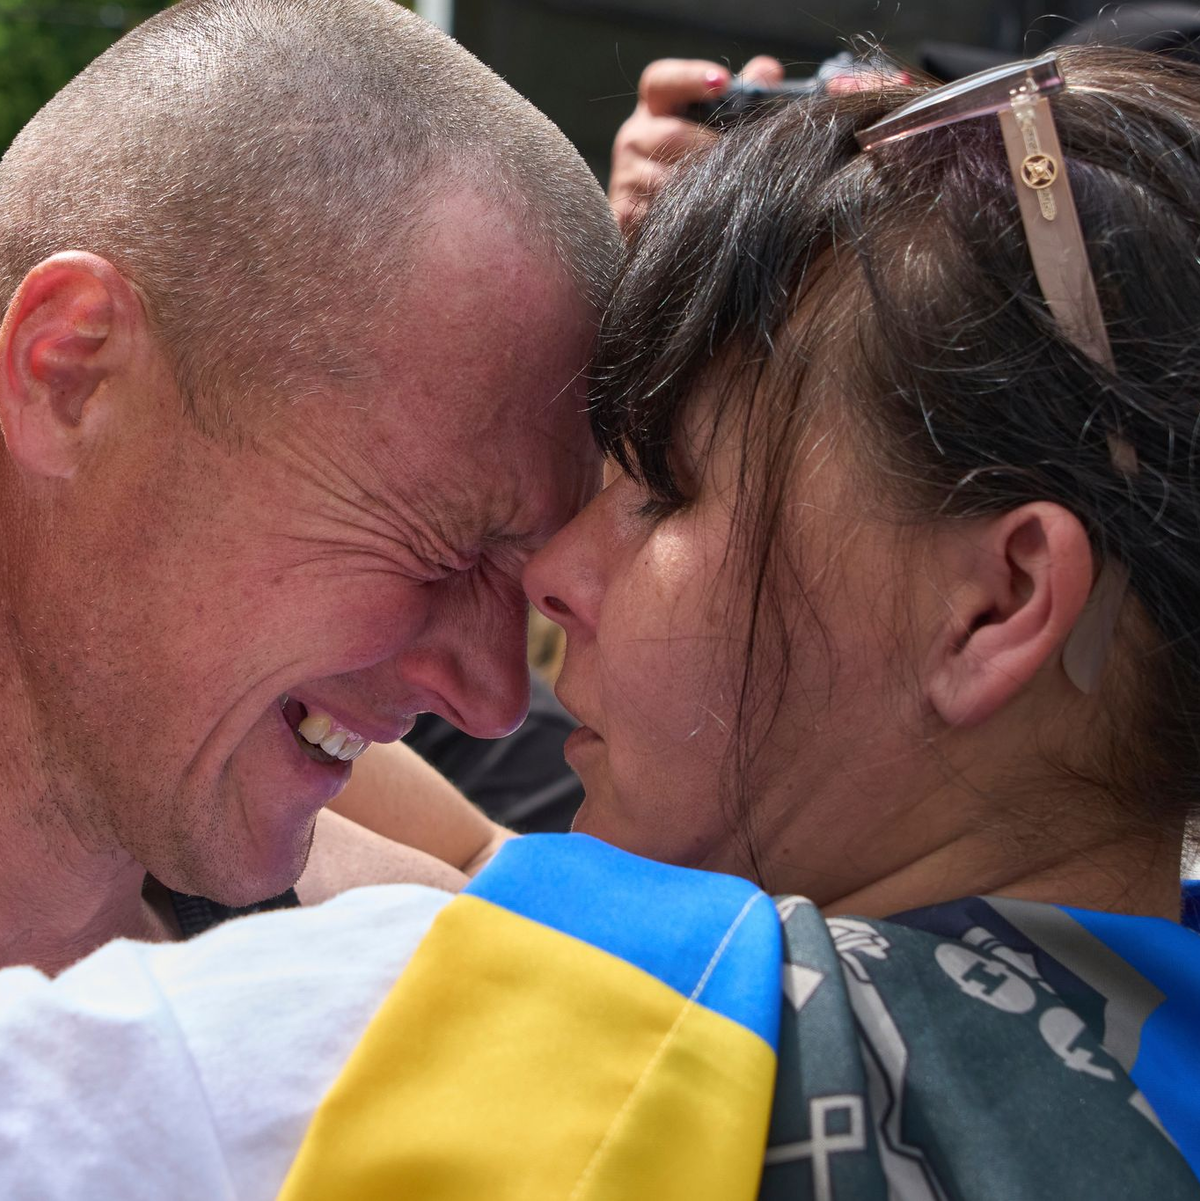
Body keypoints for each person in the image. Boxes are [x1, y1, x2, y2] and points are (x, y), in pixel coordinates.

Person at [3, 41, 1200, 1200]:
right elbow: (476, 865)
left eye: (668, 489)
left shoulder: (439, 1034)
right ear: (63, 372)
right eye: (448, 532)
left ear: (998, 604)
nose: (540, 604)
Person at [0, 0, 618, 973]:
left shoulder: (243, 826)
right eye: (447, 548)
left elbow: (499, 878)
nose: (498, 701)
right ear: (71, 373)